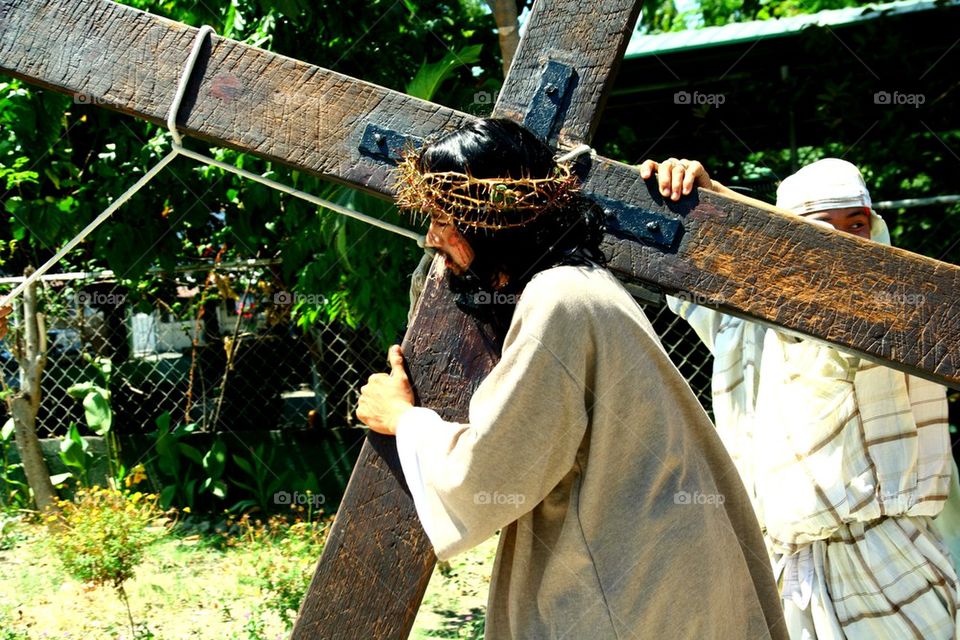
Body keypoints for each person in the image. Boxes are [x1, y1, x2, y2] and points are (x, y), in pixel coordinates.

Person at [356, 119, 788, 639]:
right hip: (660, 574)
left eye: (443, 219)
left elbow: (492, 469)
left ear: (490, 221)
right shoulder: (579, 285)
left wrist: (403, 421)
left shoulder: (556, 301)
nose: (431, 238)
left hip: (633, 594)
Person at [642, 157, 958, 639]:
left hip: (891, 564)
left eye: (857, 224)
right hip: (784, 571)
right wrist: (685, 192)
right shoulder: (747, 326)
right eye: (819, 228)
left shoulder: (904, 314)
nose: (843, 242)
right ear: (786, 234)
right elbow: (684, 256)